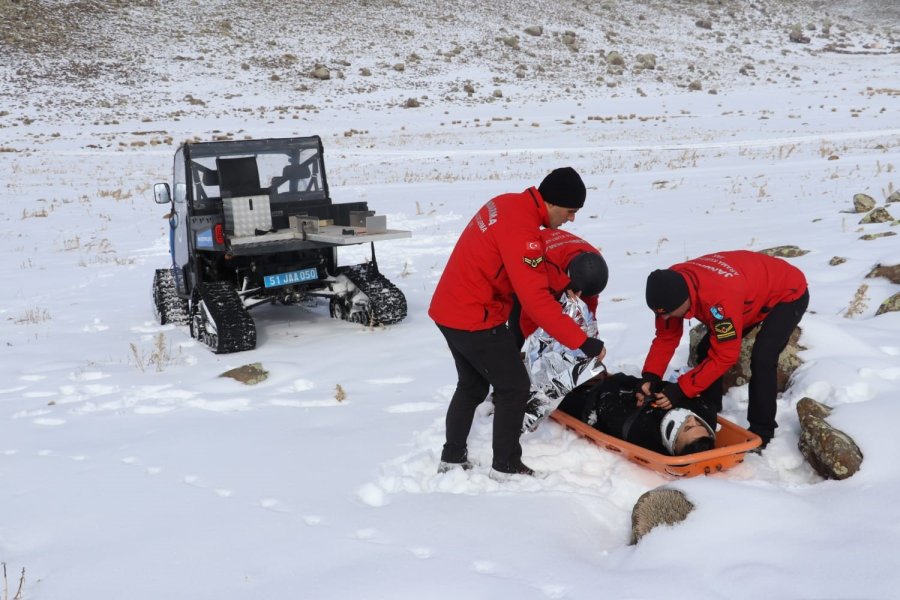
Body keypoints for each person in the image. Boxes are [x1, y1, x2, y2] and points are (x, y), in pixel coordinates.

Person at [429, 167, 606, 479]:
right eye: (570, 211)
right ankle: (506, 464)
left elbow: (529, 264)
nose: (571, 219)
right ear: (553, 203)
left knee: (471, 386)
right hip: (474, 316)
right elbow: (537, 302)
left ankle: (452, 457)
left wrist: (561, 282)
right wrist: (583, 342)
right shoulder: (523, 230)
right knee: (514, 387)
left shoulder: (511, 204)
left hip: (450, 309)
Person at [638, 250, 809, 448]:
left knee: (763, 358)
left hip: (786, 293)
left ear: (685, 300)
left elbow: (725, 356)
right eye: (661, 314)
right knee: (705, 350)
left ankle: (762, 431)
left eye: (669, 314)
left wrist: (682, 389)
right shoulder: (668, 286)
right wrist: (650, 376)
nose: (665, 319)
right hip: (747, 290)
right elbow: (666, 336)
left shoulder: (718, 300)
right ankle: (709, 407)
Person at [557, 373, 716, 456]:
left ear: (672, 439)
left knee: (560, 396)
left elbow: (607, 408)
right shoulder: (703, 411)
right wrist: (644, 387)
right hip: (629, 392)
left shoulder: (640, 432)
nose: (691, 419)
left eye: (687, 427)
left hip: (596, 404)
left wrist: (609, 381)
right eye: (699, 423)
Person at [510, 228, 608, 349]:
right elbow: (529, 317)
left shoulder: (594, 265)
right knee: (517, 317)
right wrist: (538, 348)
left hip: (560, 261)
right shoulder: (543, 268)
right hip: (525, 262)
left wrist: (592, 341)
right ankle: (513, 352)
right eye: (577, 292)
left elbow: (588, 311)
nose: (578, 298)